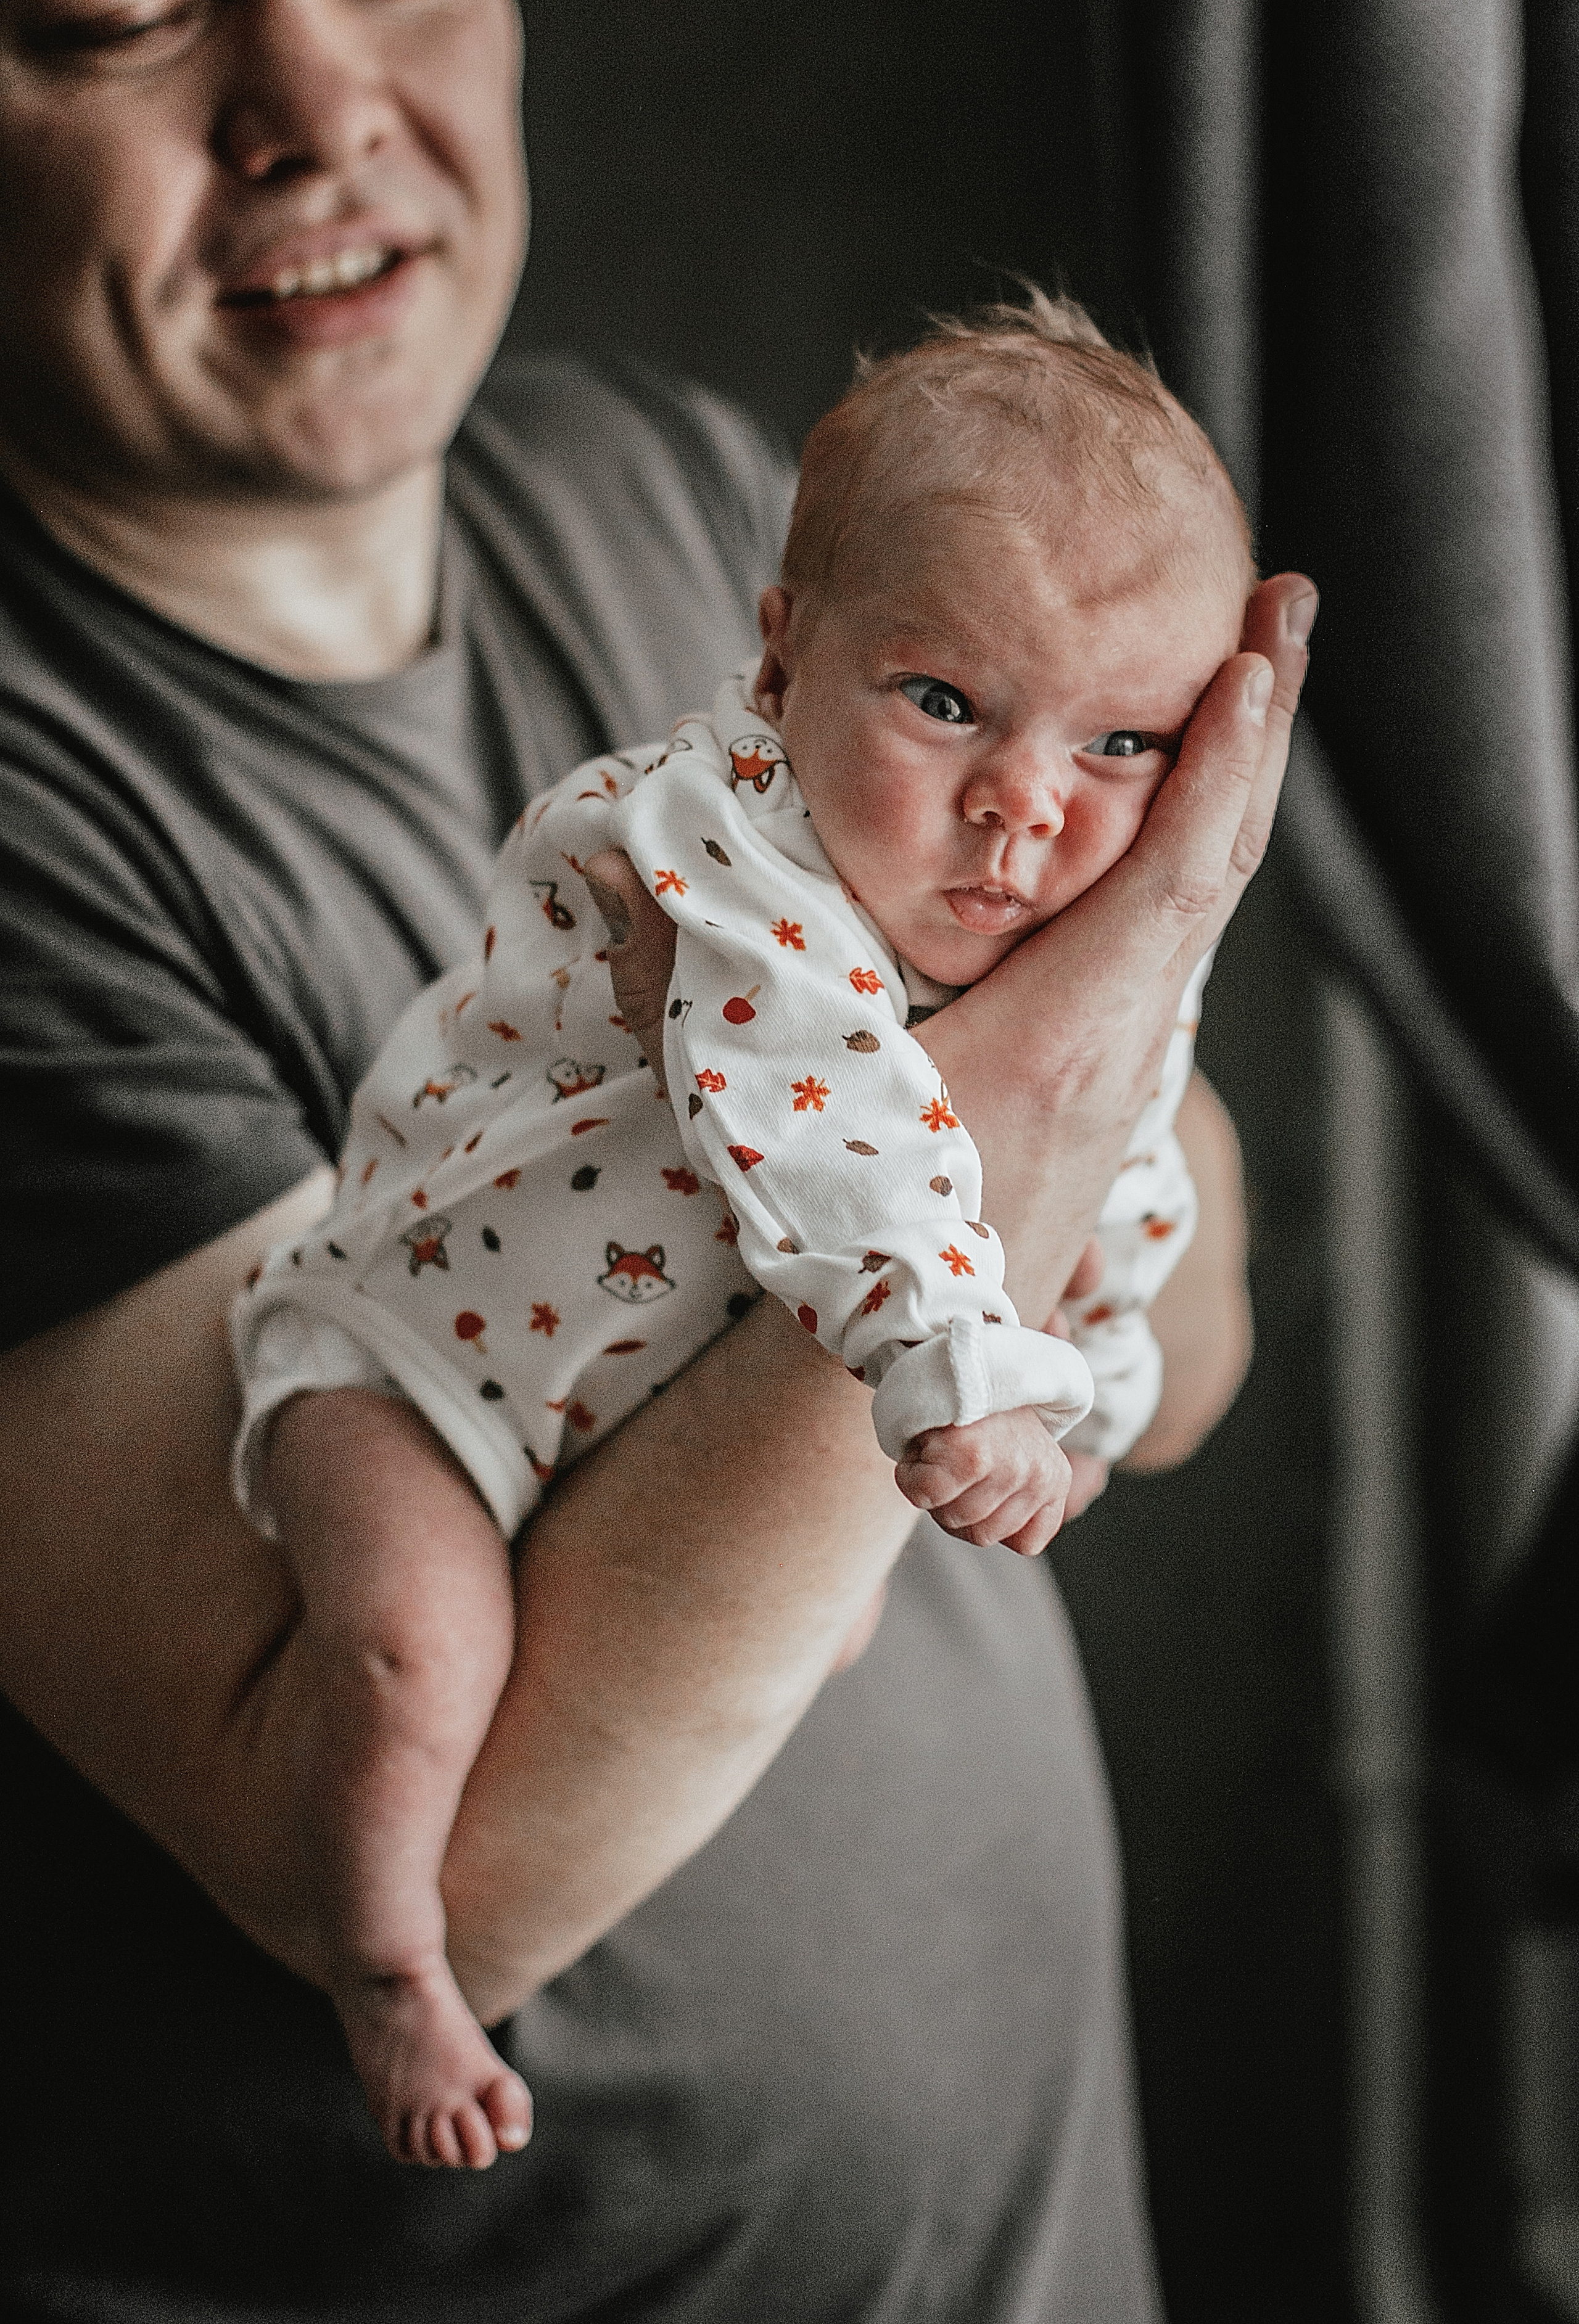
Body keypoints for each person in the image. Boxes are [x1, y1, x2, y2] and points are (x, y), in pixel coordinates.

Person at [0, 0, 1314, 2324]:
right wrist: (1066, 1035)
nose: (320, 107)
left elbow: (1187, 1350)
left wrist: (1021, 1121)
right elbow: (446, 1868)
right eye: (118, 17)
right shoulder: (44, 793)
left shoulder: (713, 492)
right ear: (792, 665)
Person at [228, 295, 1248, 2173]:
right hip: (420, 1369)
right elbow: (829, 1127)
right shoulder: (724, 849)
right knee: (414, 1652)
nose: (1025, 804)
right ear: (784, 659)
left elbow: (1137, 1171)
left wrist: (1093, 1383)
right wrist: (969, 1375)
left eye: (1123, 741)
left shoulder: (1078, 921)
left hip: (650, 1421)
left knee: (821, 1621)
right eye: (944, 702)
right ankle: (384, 1968)